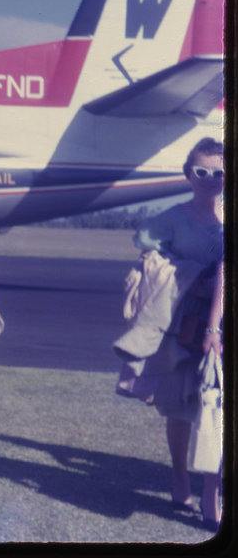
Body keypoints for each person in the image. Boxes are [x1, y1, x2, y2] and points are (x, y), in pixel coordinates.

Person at [131, 137, 224, 530]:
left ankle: (210, 490)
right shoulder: (171, 217)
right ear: (189, 175)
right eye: (201, 172)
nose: (210, 179)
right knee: (180, 404)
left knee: (216, 407)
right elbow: (146, 256)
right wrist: (184, 273)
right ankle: (179, 474)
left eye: (219, 172)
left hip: (221, 322)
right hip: (183, 321)